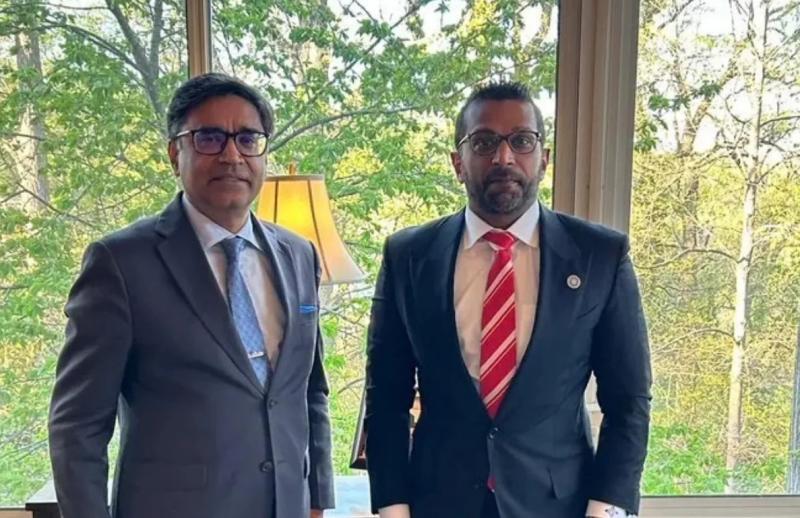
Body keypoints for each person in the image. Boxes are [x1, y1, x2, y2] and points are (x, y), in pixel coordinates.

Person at [48, 73, 334, 518]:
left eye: (248, 139)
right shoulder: (121, 262)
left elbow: (309, 389)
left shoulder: (298, 254)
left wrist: (317, 498)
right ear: (174, 153)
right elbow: (78, 426)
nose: (232, 155)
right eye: (210, 138)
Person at [364, 81, 651, 518]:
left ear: (544, 158)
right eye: (484, 142)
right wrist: (392, 508)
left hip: (558, 506)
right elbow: (386, 395)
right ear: (458, 163)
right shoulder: (409, 256)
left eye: (521, 140)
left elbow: (628, 400)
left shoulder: (600, 256)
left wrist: (605, 511)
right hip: (438, 503)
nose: (504, 157)